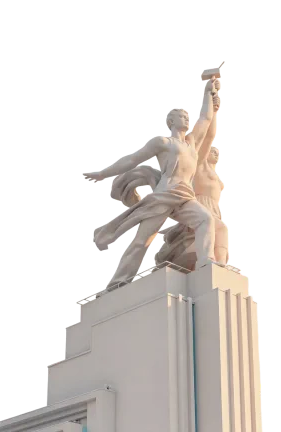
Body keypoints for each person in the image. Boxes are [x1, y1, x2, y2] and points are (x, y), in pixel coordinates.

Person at [84, 77, 221, 285]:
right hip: (165, 195)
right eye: (181, 116)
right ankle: (118, 282)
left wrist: (209, 92)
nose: (186, 119)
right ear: (171, 121)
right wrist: (102, 175)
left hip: (185, 196)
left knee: (206, 219)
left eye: (187, 116)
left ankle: (205, 261)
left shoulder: (192, 144)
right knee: (142, 241)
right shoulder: (163, 142)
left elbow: (206, 118)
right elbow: (132, 160)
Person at [156, 93, 229, 269]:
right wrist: (215, 111)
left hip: (214, 209)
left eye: (217, 152)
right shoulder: (200, 164)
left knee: (220, 231)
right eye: (212, 150)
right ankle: (210, 263)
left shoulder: (218, 179)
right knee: (215, 228)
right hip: (199, 204)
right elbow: (209, 135)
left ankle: (221, 265)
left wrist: (215, 109)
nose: (215, 152)